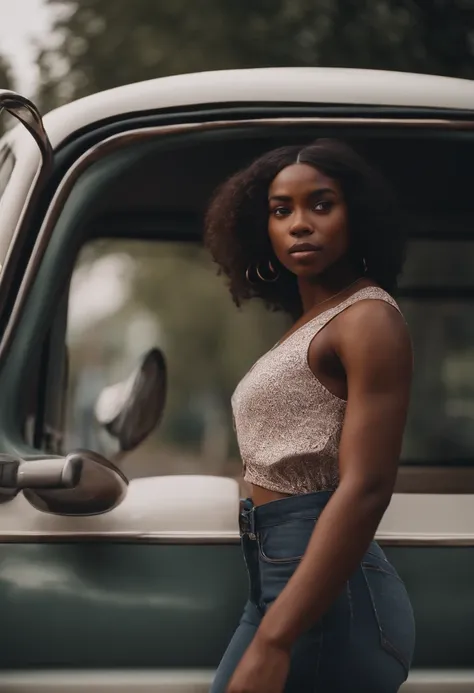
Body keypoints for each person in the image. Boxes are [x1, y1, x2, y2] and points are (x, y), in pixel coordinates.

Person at [204, 138, 415, 693]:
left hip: (328, 594)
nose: (300, 224)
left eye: (321, 204)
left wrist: (275, 640)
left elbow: (367, 486)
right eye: (282, 210)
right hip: (273, 580)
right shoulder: (313, 321)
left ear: (357, 215)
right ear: (263, 228)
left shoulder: (367, 318)